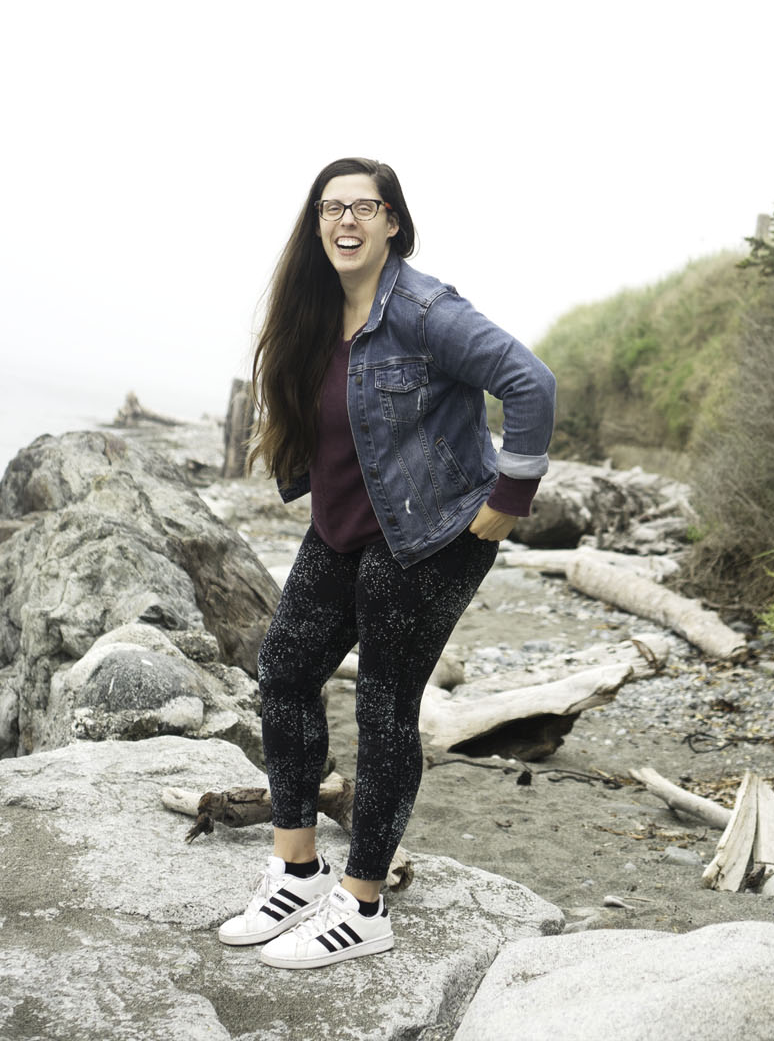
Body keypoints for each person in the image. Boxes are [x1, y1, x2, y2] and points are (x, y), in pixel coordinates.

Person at [217, 156, 555, 970]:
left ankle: (364, 903)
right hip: (341, 528)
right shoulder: (314, 311)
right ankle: (296, 870)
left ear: (393, 221)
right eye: (331, 207)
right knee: (285, 671)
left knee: (383, 706)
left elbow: (530, 382)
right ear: (317, 222)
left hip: (430, 534)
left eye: (364, 206)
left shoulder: (427, 309)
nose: (346, 220)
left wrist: (511, 495)